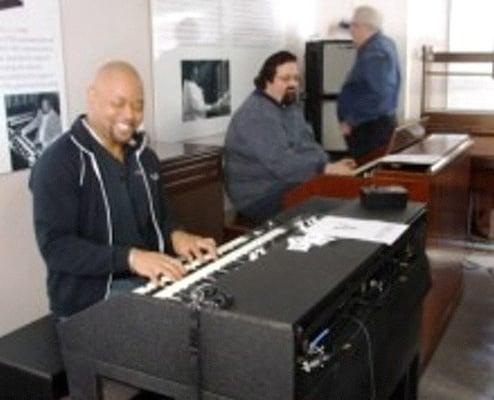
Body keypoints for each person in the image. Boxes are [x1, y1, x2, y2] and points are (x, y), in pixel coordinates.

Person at [29, 61, 217, 319]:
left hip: (147, 280)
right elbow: (57, 248)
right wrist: (130, 258)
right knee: (189, 325)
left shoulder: (145, 156)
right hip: (90, 300)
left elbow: (162, 217)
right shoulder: (57, 163)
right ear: (91, 97)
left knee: (213, 308)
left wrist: (177, 236)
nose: (129, 115)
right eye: (118, 104)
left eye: (138, 105)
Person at [224, 51, 355, 223]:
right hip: (259, 196)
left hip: (285, 184)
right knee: (337, 208)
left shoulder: (289, 106)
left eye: (296, 78)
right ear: (267, 81)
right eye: (285, 79)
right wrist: (325, 169)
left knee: (346, 197)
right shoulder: (256, 115)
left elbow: (309, 144)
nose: (293, 84)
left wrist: (328, 165)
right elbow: (282, 163)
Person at [337, 5, 401, 161]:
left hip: (370, 129)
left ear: (363, 27)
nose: (351, 31)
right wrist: (341, 25)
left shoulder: (375, 53)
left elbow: (378, 94)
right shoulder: (384, 43)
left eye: (353, 26)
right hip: (375, 126)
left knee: (367, 177)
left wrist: (351, 121)